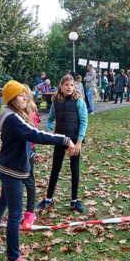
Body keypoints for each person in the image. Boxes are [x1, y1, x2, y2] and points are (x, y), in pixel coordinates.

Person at [0, 81, 73, 261]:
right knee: (16, 213)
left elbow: (16, 143)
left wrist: (31, 155)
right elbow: (35, 134)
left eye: (25, 95)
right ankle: (13, 259)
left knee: (3, 202)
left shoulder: (14, 116)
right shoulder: (14, 118)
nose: (24, 98)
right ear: (12, 100)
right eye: (20, 96)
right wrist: (64, 139)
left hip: (9, 167)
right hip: (11, 171)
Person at [39, 75, 89, 213]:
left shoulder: (79, 101)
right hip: (60, 140)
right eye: (66, 85)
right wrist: (49, 130)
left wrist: (79, 142)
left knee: (75, 169)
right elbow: (50, 119)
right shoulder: (55, 102)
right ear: (61, 86)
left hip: (74, 141)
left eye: (71, 85)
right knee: (55, 168)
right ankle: (49, 199)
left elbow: (84, 122)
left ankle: (74, 200)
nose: (69, 87)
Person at [22, 88, 45, 229]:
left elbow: (35, 131)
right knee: (17, 181)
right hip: (16, 152)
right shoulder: (13, 112)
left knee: (29, 180)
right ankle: (18, 210)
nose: (22, 98)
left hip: (29, 149)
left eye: (24, 96)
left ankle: (30, 211)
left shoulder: (31, 109)